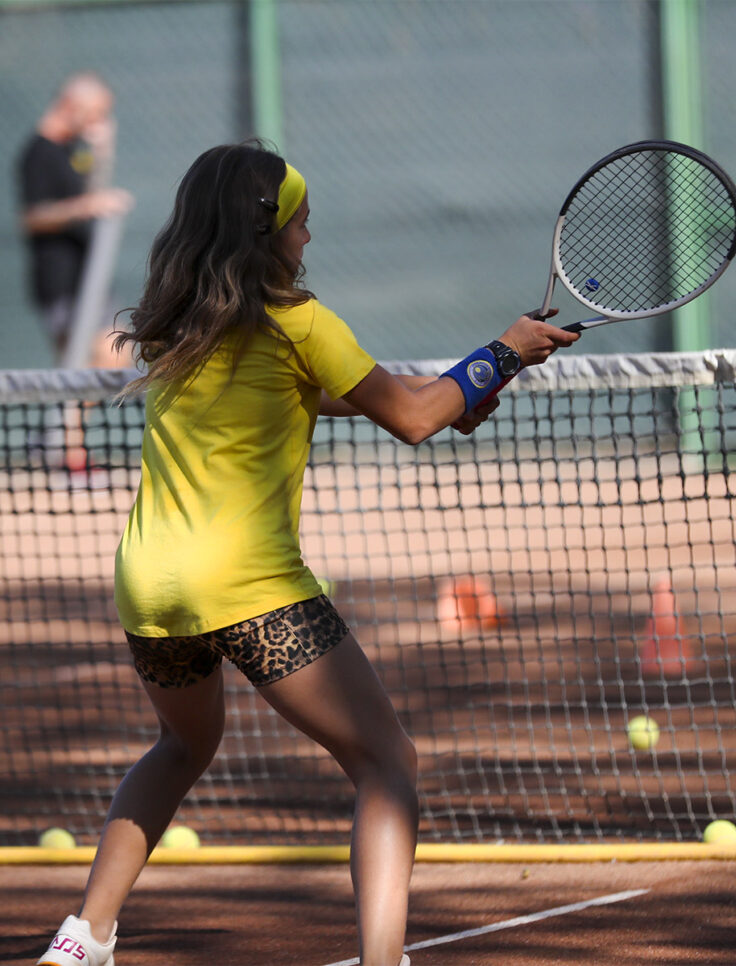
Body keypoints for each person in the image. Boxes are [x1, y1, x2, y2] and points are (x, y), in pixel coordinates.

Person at [36, 142, 579, 966]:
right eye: (301, 223)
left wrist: (456, 390)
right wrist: (500, 353)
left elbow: (295, 397)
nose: (308, 239)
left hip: (150, 587)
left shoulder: (179, 325)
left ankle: (83, 941)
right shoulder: (303, 322)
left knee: (180, 747)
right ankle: (383, 959)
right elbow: (412, 417)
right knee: (386, 761)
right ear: (268, 234)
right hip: (252, 588)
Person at [18, 71, 134, 366]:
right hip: (61, 282)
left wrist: (104, 152)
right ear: (70, 104)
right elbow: (33, 217)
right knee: (87, 363)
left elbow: (93, 196)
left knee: (101, 363)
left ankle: (70, 414)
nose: (100, 121)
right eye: (96, 113)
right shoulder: (38, 153)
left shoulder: (74, 149)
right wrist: (83, 206)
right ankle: (67, 413)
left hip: (89, 277)